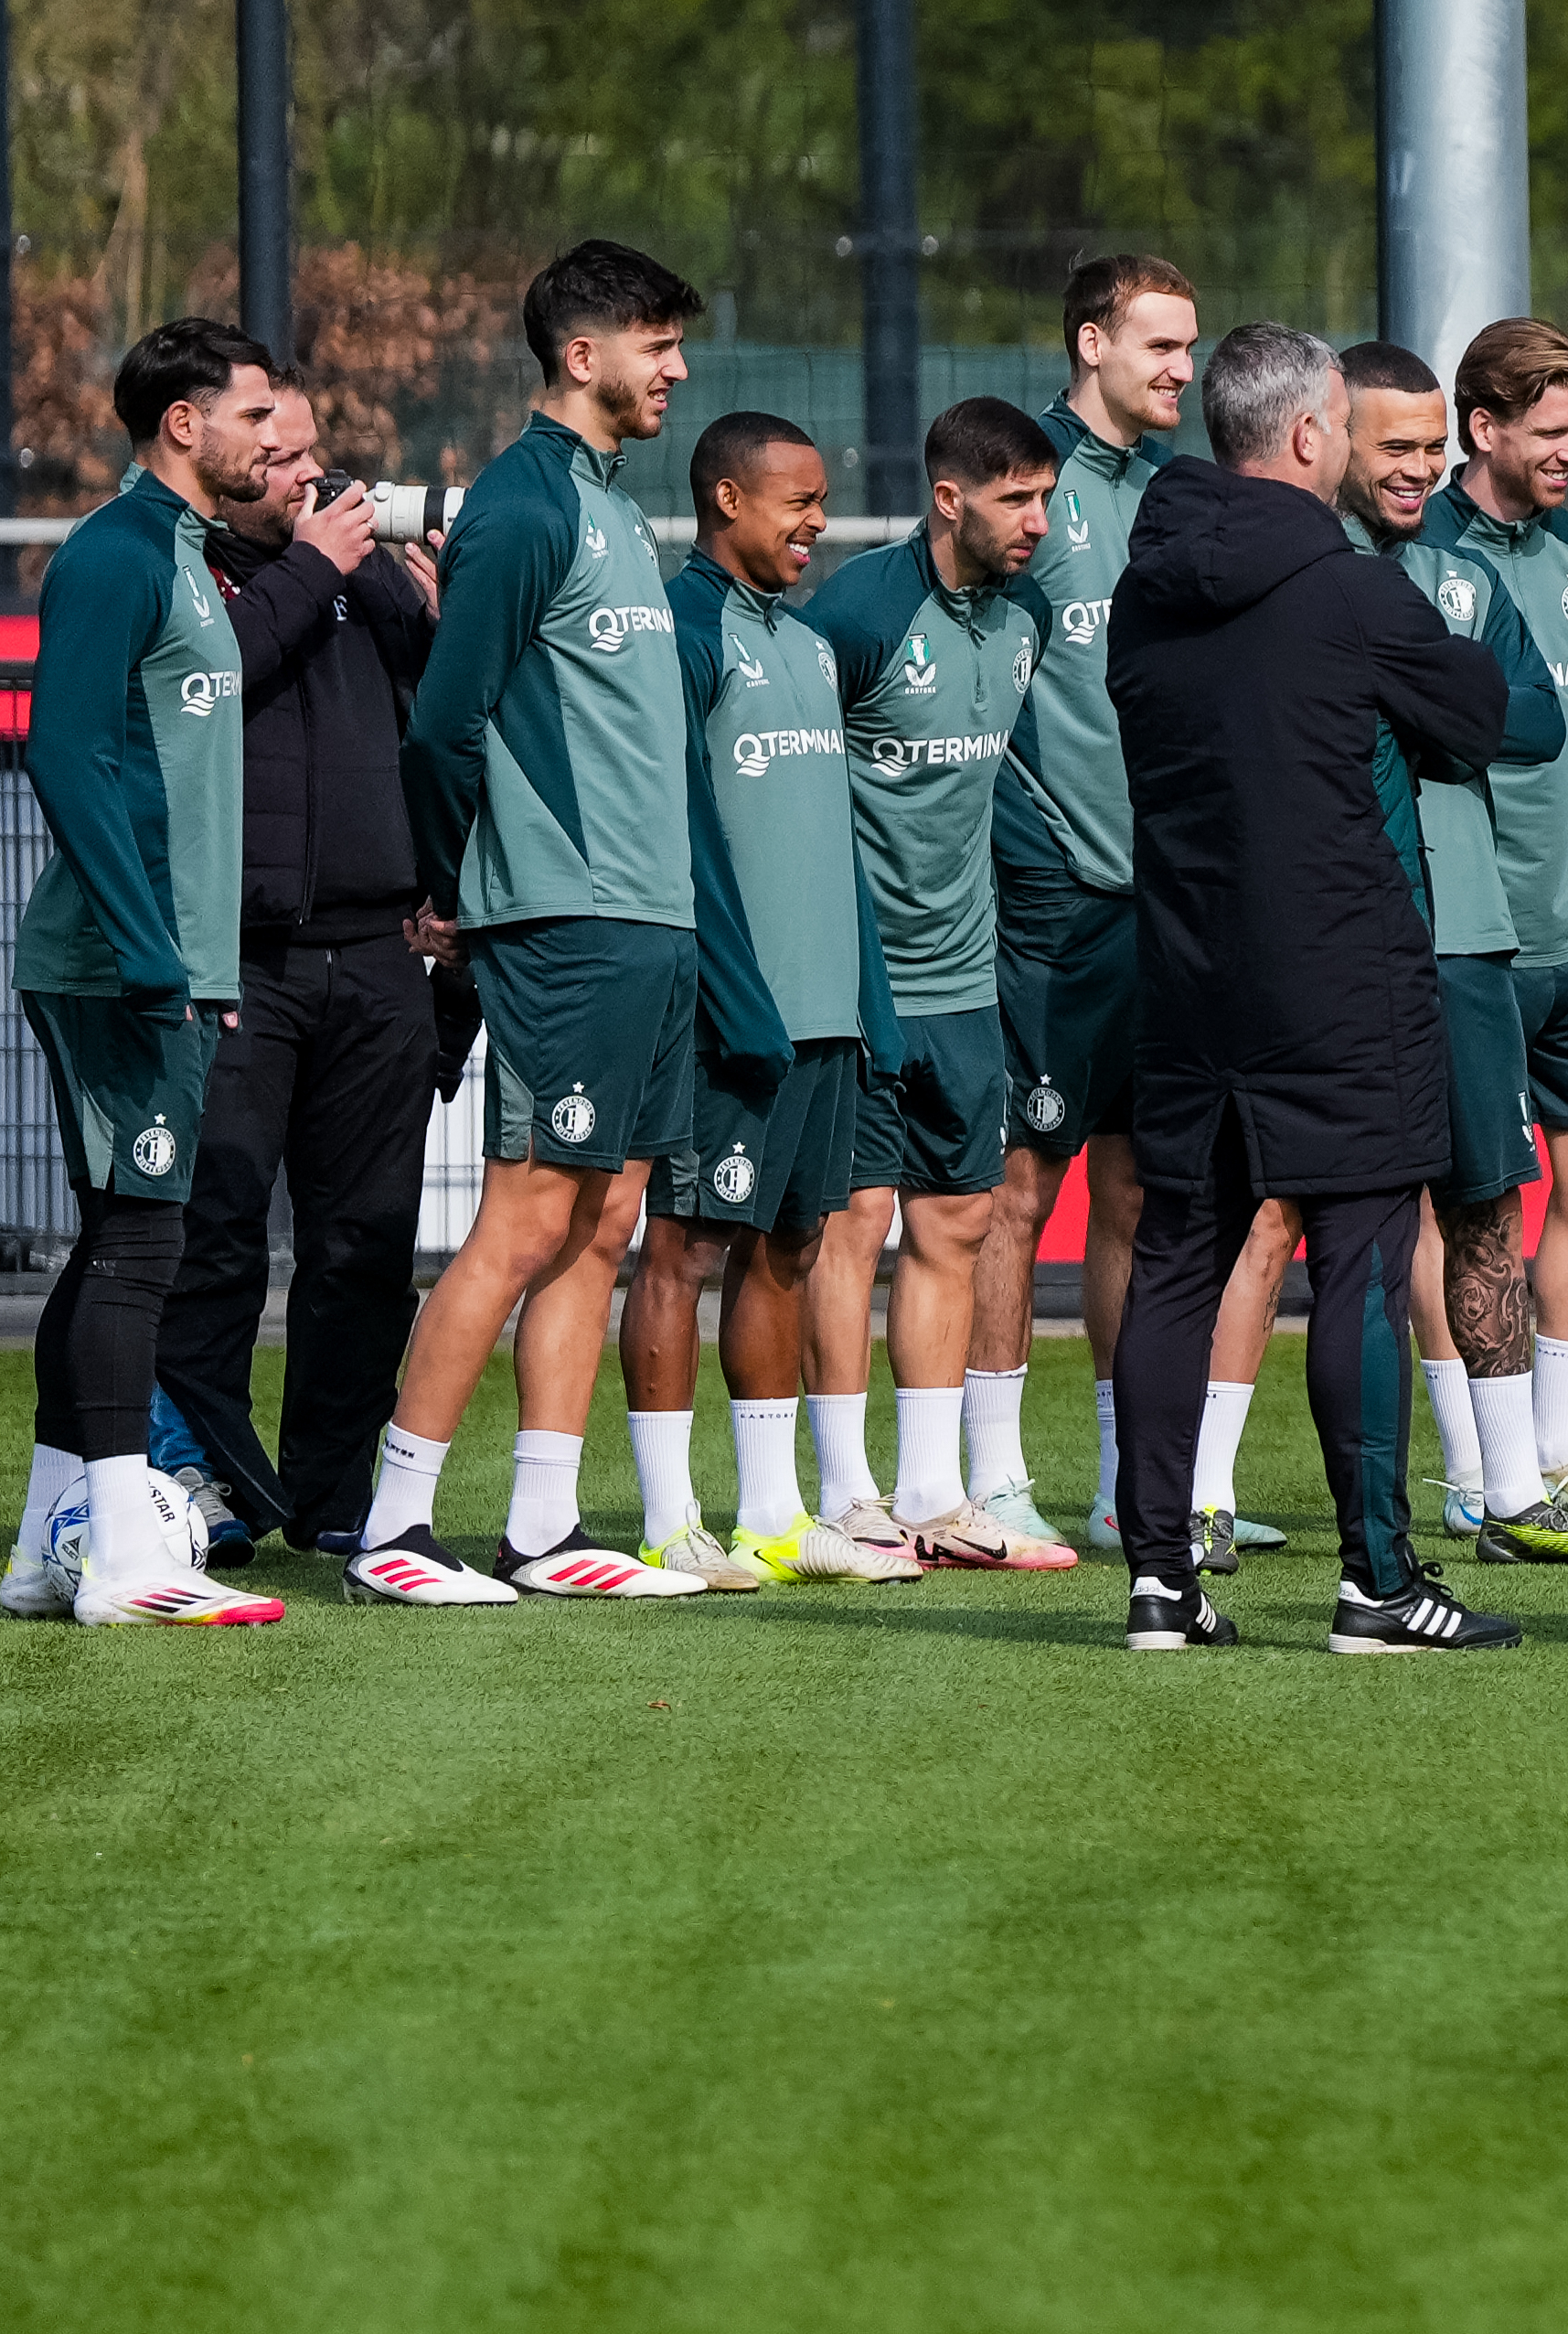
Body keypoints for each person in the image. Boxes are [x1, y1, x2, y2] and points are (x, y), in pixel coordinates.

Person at [1101, 323, 1525, 1653]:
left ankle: (1160, 1579)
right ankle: (1377, 1582)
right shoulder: (1351, 590)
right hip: (1342, 969)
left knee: (1178, 1260)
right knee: (1356, 1266)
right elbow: (1481, 717)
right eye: (1344, 423)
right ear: (1303, 436)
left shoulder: (1142, 587)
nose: (1352, 444)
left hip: (1183, 968)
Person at [352, 239, 725, 1608]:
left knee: (605, 1215)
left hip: (645, 917)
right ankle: (392, 1527)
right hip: (566, 916)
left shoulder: (608, 502)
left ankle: (543, 1525)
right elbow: (444, 727)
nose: (677, 366)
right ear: (584, 355)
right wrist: (453, 887)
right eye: (657, 342)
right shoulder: (522, 505)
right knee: (521, 1218)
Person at [0, 316, 296, 1631]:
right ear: (185, 421)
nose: (270, 437)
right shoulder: (118, 550)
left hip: (163, 959)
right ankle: (122, 1552)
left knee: (115, 1238)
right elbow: (63, 750)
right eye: (252, 415)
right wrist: (150, 951)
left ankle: (39, 1550)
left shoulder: (183, 551)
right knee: (140, 1243)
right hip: (126, 967)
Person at [158, 378, 438, 1559]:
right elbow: (214, 676)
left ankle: (330, 1495)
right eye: (281, 454)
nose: (311, 475)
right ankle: (205, 1486)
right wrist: (316, 566)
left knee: (366, 1244)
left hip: (377, 950)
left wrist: (416, 586)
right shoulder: (193, 571)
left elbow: (438, 676)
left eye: (318, 452)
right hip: (242, 959)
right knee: (214, 1233)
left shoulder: (355, 564)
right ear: (225, 452)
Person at [1340, 339, 1568, 1566]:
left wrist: (1438, 707)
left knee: (1561, 1187)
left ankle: (1534, 1469)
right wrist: (1446, 702)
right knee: (1335, 1219)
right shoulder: (1395, 562)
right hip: (1402, 928)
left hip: (1545, 922)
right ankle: (1459, 1470)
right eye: (1547, 429)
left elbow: (1539, 714)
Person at [617, 411, 890, 1589]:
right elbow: (677, 826)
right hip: (738, 1011)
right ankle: (670, 1515)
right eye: (797, 501)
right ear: (728, 500)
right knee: (682, 1247)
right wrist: (737, 992)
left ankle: (774, 1515)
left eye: (822, 500)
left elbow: (834, 836)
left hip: (828, 1011)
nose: (816, 522)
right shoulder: (680, 629)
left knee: (791, 1245)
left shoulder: (812, 643)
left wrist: (867, 992)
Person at [805, 394, 1058, 1568]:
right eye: (1016, 499)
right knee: (850, 1227)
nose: (1039, 523)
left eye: (1048, 498)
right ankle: (847, 1492)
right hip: (858, 983)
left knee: (955, 1222)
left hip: (967, 980)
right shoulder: (857, 611)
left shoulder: (1029, 617)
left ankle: (932, 1491)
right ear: (949, 497)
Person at [1436, 316, 1568, 1530]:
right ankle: (1478, 1458)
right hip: (1472, 932)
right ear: (1485, 428)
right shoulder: (1426, 556)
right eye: (1552, 428)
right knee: (1470, 1201)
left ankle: (1558, 1450)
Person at [987, 252, 1184, 1568]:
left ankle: (1130, 1486)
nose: (1180, 368)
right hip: (1051, 885)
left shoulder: (1182, 496)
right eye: (1158, 345)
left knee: (1136, 1189)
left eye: (1189, 347)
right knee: (1016, 1186)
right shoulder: (1023, 483)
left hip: (1163, 890)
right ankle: (993, 1477)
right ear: (1091, 342)